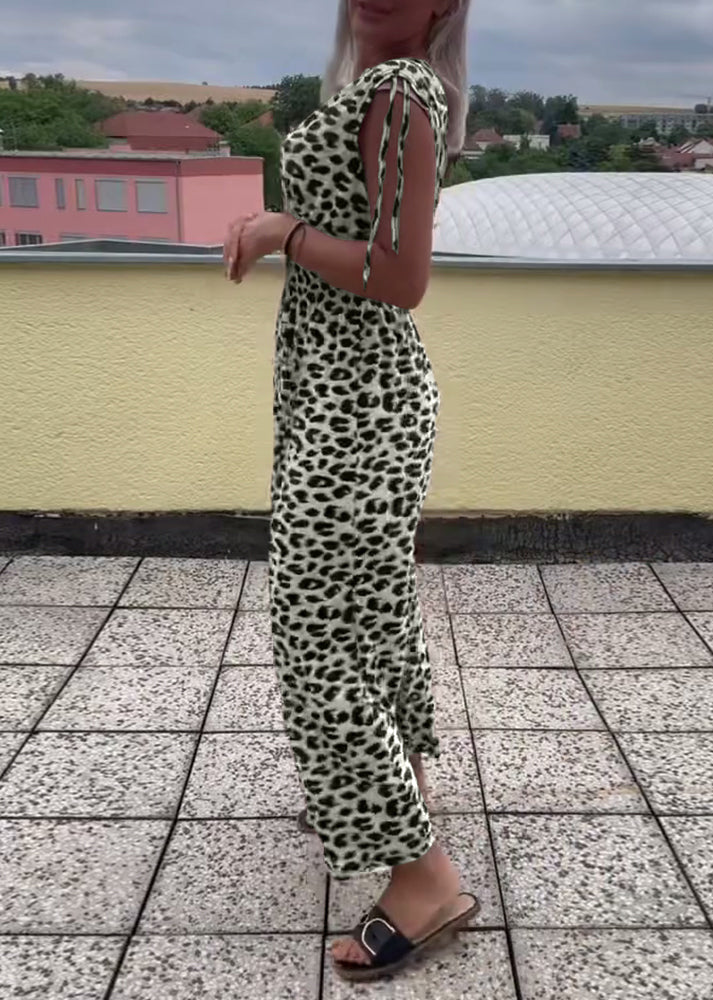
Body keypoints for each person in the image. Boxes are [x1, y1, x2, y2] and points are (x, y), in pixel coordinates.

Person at [223, 0, 477, 981]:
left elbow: (401, 276)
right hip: (344, 396)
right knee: (369, 611)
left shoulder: (401, 92)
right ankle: (400, 787)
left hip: (358, 408)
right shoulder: (378, 89)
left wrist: (281, 230)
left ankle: (423, 879)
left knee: (314, 635)